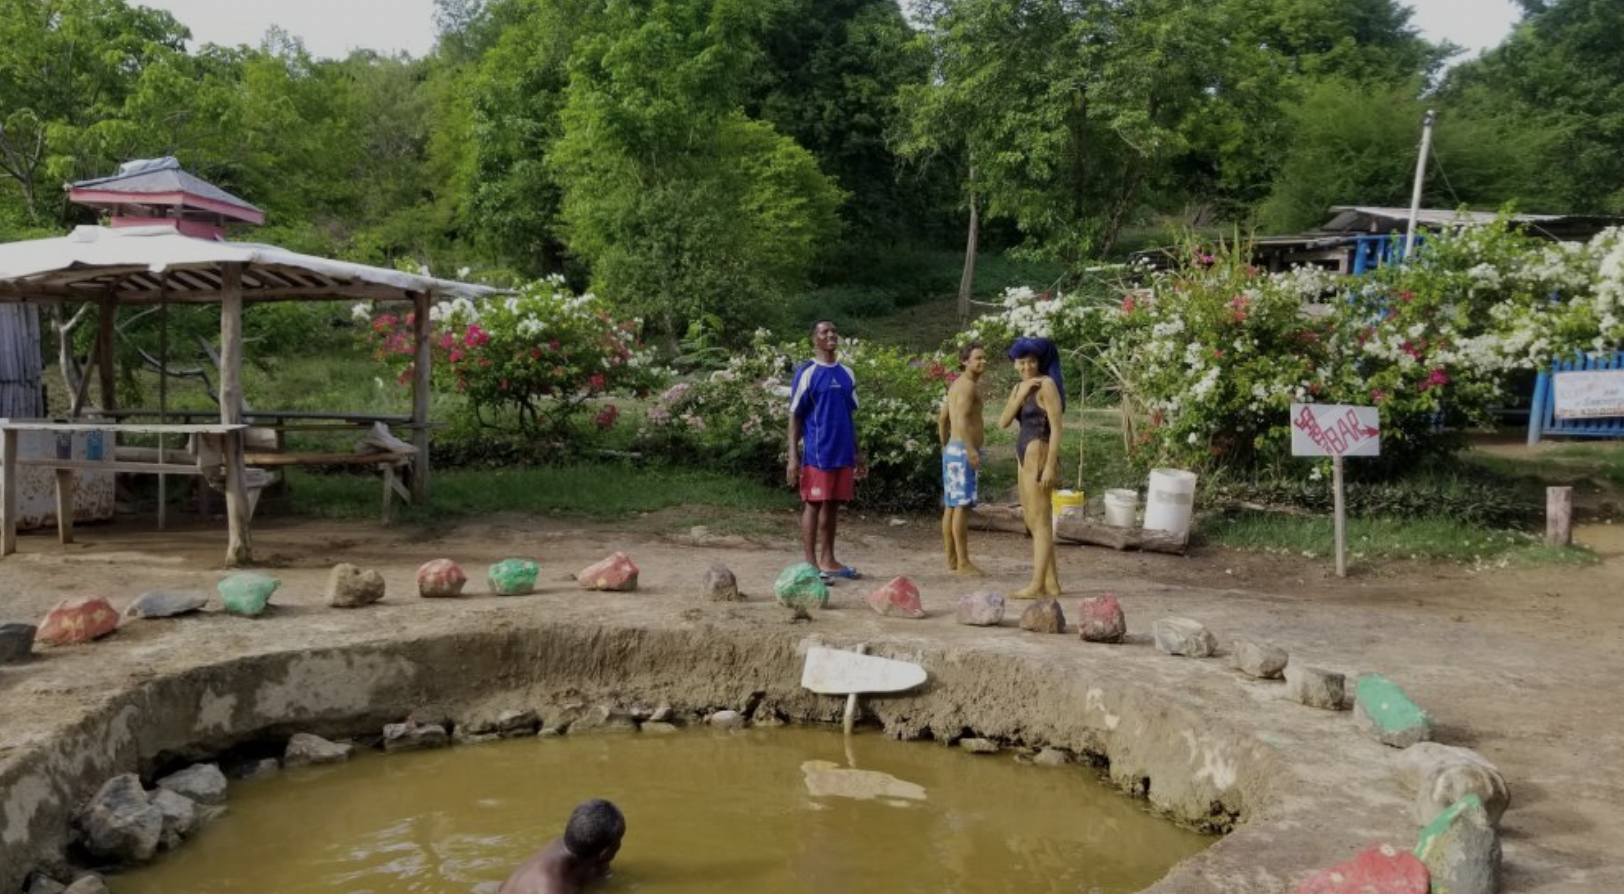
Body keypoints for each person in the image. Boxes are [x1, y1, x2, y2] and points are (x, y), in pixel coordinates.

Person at [786, 319, 866, 581]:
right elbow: (795, 416)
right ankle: (811, 565)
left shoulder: (847, 374)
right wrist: (793, 457)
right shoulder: (807, 373)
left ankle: (828, 560)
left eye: (833, 331)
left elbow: (848, 416)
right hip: (817, 453)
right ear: (815, 339)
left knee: (832, 504)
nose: (831, 334)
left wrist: (857, 452)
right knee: (813, 504)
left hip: (842, 452)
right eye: (824, 331)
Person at [997, 337, 1066, 599]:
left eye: (1032, 361)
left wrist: (1050, 467)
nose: (1027, 367)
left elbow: (1057, 428)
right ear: (1015, 363)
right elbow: (1003, 422)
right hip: (1023, 454)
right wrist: (1021, 394)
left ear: (1039, 362)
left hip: (1040, 451)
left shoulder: (1047, 384)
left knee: (1040, 520)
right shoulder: (1019, 387)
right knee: (1032, 519)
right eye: (1022, 362)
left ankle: (1037, 585)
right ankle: (1052, 582)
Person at [499, 799, 626, 894]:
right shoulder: (550, 887)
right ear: (605, 852)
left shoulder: (575, 844)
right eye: (620, 839)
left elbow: (601, 872)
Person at [939, 342, 988, 574]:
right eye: (978, 358)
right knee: (961, 506)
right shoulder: (967, 386)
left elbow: (942, 419)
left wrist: (944, 445)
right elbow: (960, 420)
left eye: (984, 358)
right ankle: (964, 562)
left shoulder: (956, 385)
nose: (983, 362)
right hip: (962, 451)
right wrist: (970, 449)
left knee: (951, 505)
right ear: (964, 361)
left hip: (953, 449)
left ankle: (952, 559)